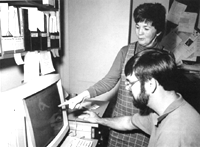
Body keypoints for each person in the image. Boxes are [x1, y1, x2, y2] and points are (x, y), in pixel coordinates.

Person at [59, 3, 166, 147]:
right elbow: (109, 80)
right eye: (137, 26)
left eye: (146, 28)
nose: (139, 32)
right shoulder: (125, 51)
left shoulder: (165, 58)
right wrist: (82, 95)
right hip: (120, 121)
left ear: (158, 31)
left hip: (146, 127)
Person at [78, 49, 200, 147]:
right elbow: (129, 122)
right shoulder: (163, 111)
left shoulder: (174, 135)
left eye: (130, 83)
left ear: (151, 84)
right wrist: (99, 120)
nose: (127, 88)